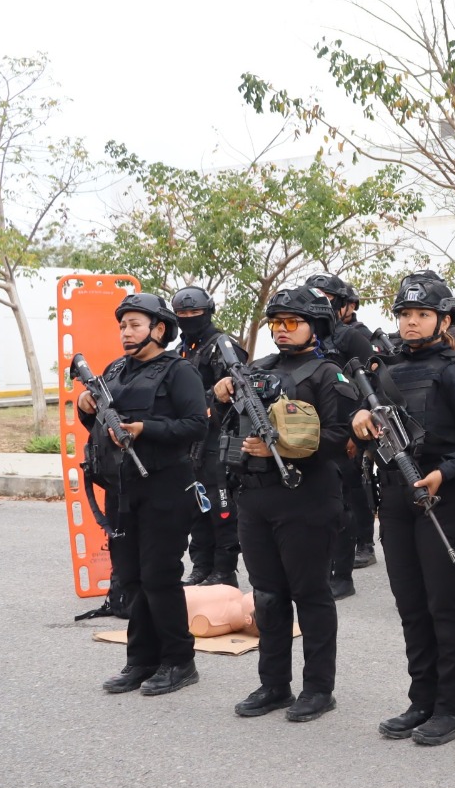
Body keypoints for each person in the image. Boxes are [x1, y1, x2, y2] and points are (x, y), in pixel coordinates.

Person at [353, 275, 455, 747]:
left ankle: (452, 708)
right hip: (396, 497)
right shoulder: (385, 372)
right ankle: (422, 699)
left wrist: (448, 471)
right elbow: (368, 423)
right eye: (404, 315)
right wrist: (358, 420)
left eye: (421, 315)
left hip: (445, 498)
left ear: (444, 320)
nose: (411, 323)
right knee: (411, 606)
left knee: (445, 606)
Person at [214, 286, 357, 723]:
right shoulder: (255, 369)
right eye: (275, 323)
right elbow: (224, 424)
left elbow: (343, 437)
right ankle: (274, 684)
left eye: (291, 322)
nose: (281, 330)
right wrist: (218, 394)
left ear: (315, 325)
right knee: (268, 596)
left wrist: (287, 446)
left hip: (307, 497)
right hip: (255, 497)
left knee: (310, 594)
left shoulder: (328, 373)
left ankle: (318, 688)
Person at [82, 293, 209, 697]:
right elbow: (101, 428)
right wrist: (87, 407)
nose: (125, 332)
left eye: (134, 324)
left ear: (159, 329)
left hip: (166, 486)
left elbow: (195, 426)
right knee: (131, 578)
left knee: (159, 576)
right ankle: (140, 660)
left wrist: (144, 429)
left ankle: (178, 661)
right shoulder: (114, 371)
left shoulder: (179, 371)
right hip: (122, 489)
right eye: (122, 325)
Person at [308, 273, 378, 599]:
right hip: (309, 435)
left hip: (345, 431)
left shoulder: (350, 338)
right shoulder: (302, 338)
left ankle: (343, 575)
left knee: (344, 504)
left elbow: (371, 388)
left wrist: (357, 434)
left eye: (325, 296)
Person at [171, 286, 245, 590]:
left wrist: (212, 398)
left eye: (194, 313)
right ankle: (201, 567)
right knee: (196, 507)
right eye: (182, 314)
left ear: (208, 312)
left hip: (220, 440)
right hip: (190, 443)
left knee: (221, 508)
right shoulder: (180, 352)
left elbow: (239, 389)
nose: (188, 318)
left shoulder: (224, 347)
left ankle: (224, 571)